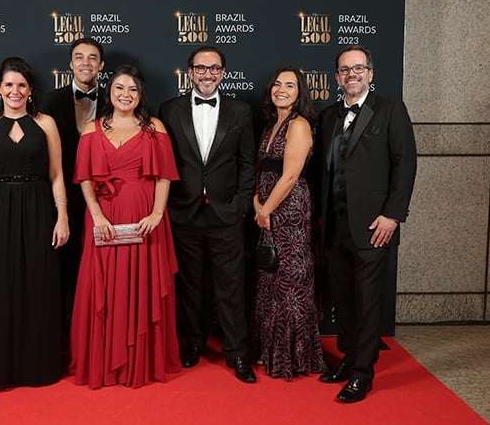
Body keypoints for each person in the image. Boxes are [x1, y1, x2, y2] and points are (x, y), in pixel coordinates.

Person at [0, 57, 69, 391]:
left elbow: (56, 175)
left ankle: (35, 366)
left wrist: (62, 216)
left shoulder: (46, 124)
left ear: (30, 89)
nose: (15, 91)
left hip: (37, 209)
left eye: (21, 85)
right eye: (8, 84)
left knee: (37, 285)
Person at [314, 45, 416, 403]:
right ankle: (348, 358)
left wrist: (392, 215)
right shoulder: (328, 116)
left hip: (374, 225)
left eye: (358, 68)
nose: (351, 74)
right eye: (345, 69)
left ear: (370, 74)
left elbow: (405, 164)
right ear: (337, 77)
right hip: (335, 226)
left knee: (368, 301)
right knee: (343, 299)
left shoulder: (391, 110)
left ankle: (363, 373)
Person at [68, 64, 181, 389]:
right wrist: (97, 215)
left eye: (132, 89)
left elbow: (164, 176)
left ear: (141, 94)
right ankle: (105, 361)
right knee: (102, 287)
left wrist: (157, 214)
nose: (126, 94)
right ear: (110, 92)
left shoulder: (155, 128)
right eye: (119, 88)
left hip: (145, 219)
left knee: (142, 285)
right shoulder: (91, 130)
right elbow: (85, 179)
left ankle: (139, 361)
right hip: (104, 219)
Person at [159, 46, 257, 384]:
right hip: (184, 213)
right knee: (191, 286)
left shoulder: (240, 110)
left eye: (214, 68)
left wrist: (241, 204)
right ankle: (194, 343)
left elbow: (247, 162)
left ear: (223, 73)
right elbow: (164, 161)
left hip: (226, 213)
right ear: (190, 72)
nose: (207, 74)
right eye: (201, 68)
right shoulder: (169, 109)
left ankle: (237, 353)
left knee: (231, 287)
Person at [250, 66, 326, 380]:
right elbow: (263, 169)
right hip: (267, 208)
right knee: (271, 278)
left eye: (290, 85)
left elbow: (291, 175)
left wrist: (265, 210)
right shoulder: (272, 124)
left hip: (290, 211)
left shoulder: (299, 125)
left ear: (300, 92)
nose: (282, 90)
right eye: (278, 84)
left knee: (290, 281)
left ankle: (292, 357)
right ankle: (269, 350)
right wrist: (257, 203)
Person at [39, 37, 107, 335]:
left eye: (92, 58)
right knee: (61, 265)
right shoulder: (50, 101)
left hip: (105, 197)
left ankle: (94, 331)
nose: (85, 63)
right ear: (70, 63)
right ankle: (61, 333)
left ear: (101, 65)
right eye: (79, 57)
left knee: (98, 266)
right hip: (61, 196)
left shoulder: (115, 99)